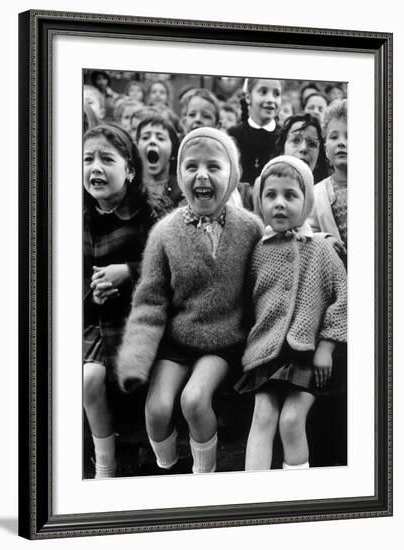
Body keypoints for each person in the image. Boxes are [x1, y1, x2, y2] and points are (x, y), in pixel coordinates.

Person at [116, 128, 263, 474]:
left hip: (224, 340)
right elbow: (149, 299)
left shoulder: (250, 228)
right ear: (180, 174)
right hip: (178, 340)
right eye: (191, 166)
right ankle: (168, 467)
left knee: (194, 400)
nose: (202, 175)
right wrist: (137, 357)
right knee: (157, 409)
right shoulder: (165, 232)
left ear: (233, 175)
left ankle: (203, 474)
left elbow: (268, 276)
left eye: (214, 166)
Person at [236, 155, 347, 471]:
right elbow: (247, 301)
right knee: (263, 414)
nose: (279, 204)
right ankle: (253, 498)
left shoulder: (321, 250)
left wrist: (326, 346)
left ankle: (297, 494)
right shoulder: (258, 251)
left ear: (307, 200)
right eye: (270, 196)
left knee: (291, 419)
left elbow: (344, 299)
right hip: (267, 352)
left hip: (308, 355)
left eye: (290, 195)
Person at [82, 124, 162, 478]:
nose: (95, 168)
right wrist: (91, 291)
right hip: (95, 320)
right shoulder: (73, 216)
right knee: (88, 379)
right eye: (87, 159)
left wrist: (127, 272)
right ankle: (105, 464)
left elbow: (170, 267)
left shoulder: (150, 211)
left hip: (141, 319)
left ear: (129, 169)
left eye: (106, 159)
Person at [309, 100, 348, 254]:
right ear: (325, 149)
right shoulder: (317, 194)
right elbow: (308, 232)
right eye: (334, 137)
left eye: (349, 136)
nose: (341, 143)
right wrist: (322, 239)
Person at [228, 78, 283, 184]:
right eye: (263, 92)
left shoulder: (284, 137)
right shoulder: (233, 135)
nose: (270, 99)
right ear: (248, 97)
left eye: (276, 94)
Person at [136, 114, 183, 213]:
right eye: (145, 138)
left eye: (160, 138)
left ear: (173, 149)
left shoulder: (182, 190)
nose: (152, 141)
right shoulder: (129, 188)